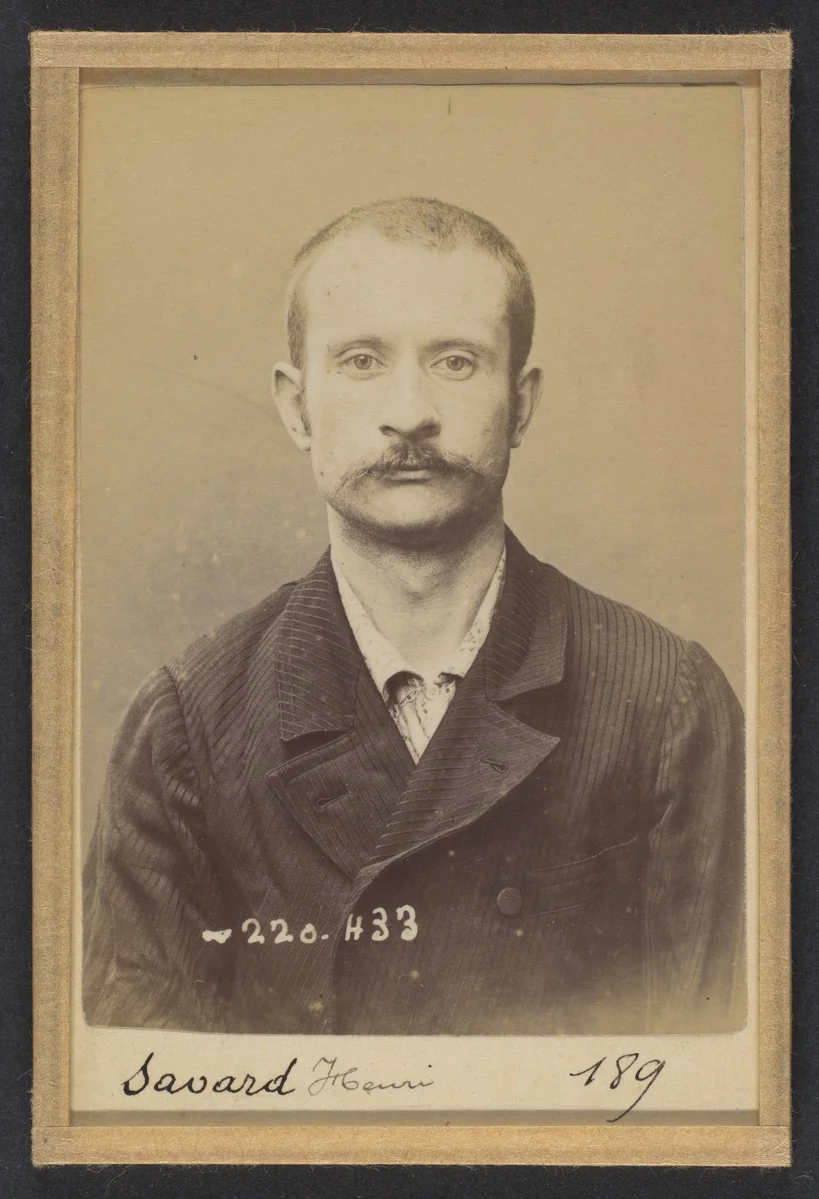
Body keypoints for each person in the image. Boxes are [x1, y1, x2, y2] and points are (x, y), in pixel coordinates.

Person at [83, 196, 745, 1036]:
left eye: (457, 362)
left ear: (522, 402)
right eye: (361, 360)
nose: (410, 411)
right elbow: (144, 1116)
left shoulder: (668, 705)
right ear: (294, 406)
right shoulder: (186, 723)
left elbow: (709, 1096)